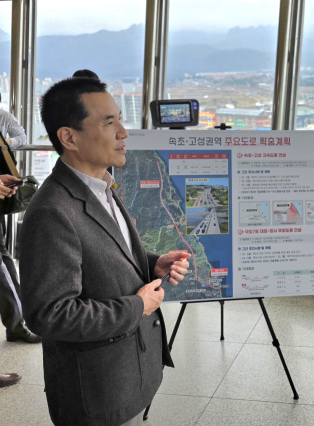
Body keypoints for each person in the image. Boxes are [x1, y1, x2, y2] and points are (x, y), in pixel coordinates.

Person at [19, 76, 191, 426]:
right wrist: (138, 306)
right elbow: (50, 314)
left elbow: (105, 254)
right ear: (69, 137)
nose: (123, 133)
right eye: (109, 122)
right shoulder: (52, 211)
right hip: (97, 394)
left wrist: (153, 264)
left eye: (120, 120)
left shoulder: (102, 186)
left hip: (128, 375)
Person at [0, 96, 40, 344]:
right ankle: (17, 324)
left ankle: (17, 323)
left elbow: (20, 137)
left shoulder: (3, 117)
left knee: (3, 257)